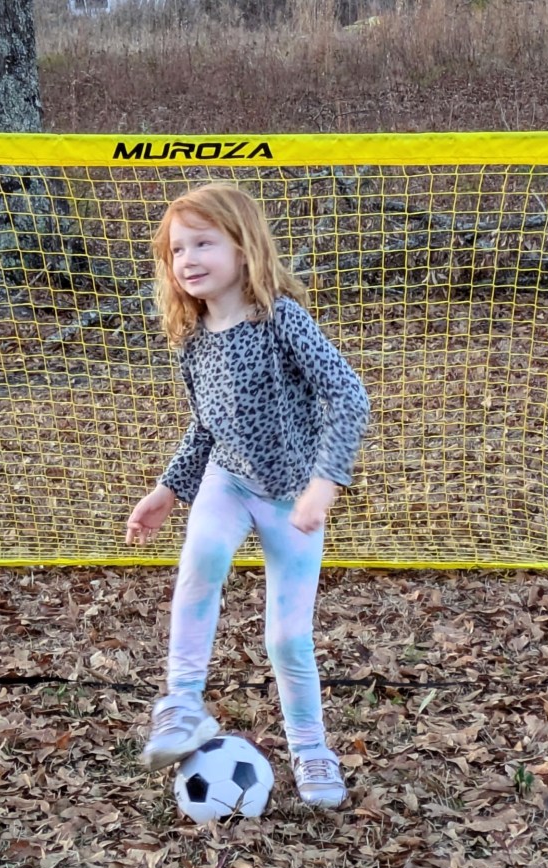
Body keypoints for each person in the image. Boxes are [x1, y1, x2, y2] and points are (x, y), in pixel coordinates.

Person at [126, 183, 369, 808]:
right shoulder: (194, 339)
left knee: (286, 640)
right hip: (227, 482)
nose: (188, 259)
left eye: (203, 243)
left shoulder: (281, 320)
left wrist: (324, 483)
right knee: (199, 565)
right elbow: (206, 425)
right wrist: (166, 490)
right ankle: (180, 705)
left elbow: (349, 396)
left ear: (243, 246)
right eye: (176, 249)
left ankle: (312, 752)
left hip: (293, 497)